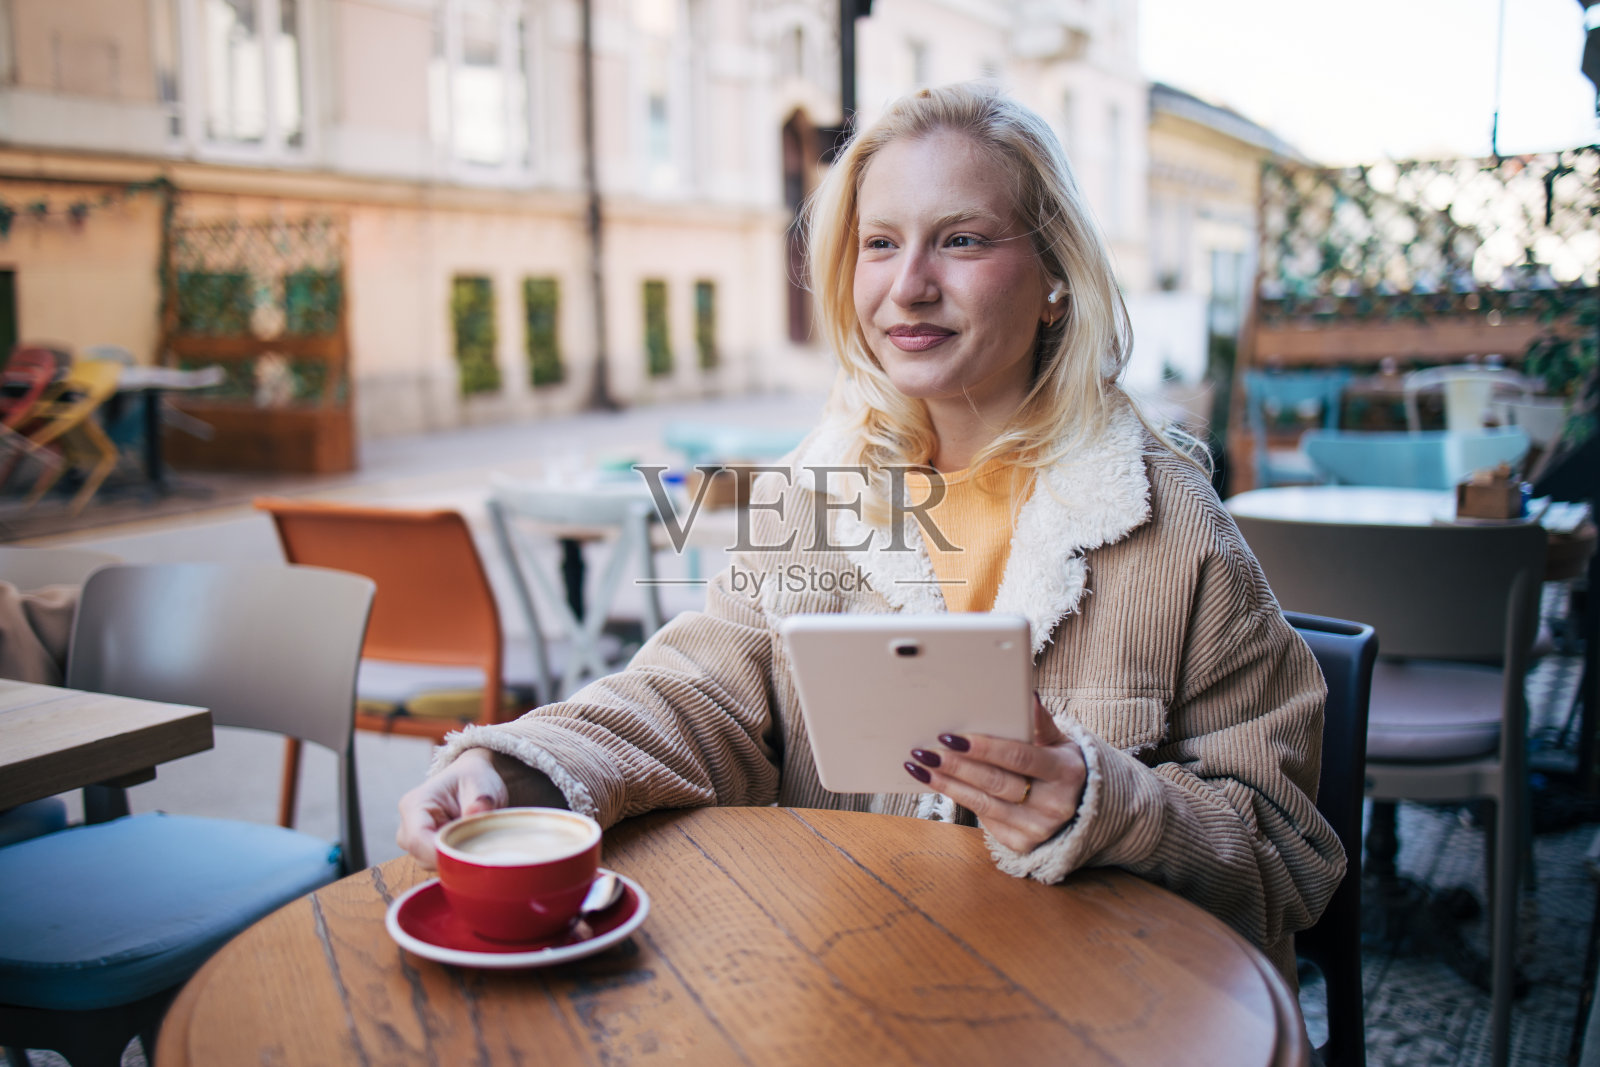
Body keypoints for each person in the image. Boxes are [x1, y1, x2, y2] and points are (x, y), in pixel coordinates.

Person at [397, 83, 1344, 982]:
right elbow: (696, 695)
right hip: (852, 974)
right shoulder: (816, 490)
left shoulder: (1175, 530)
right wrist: (514, 765)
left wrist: (1111, 804)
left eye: (961, 239)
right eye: (880, 242)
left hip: (1089, 1010)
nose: (909, 286)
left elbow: (1289, 857)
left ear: (1057, 275)